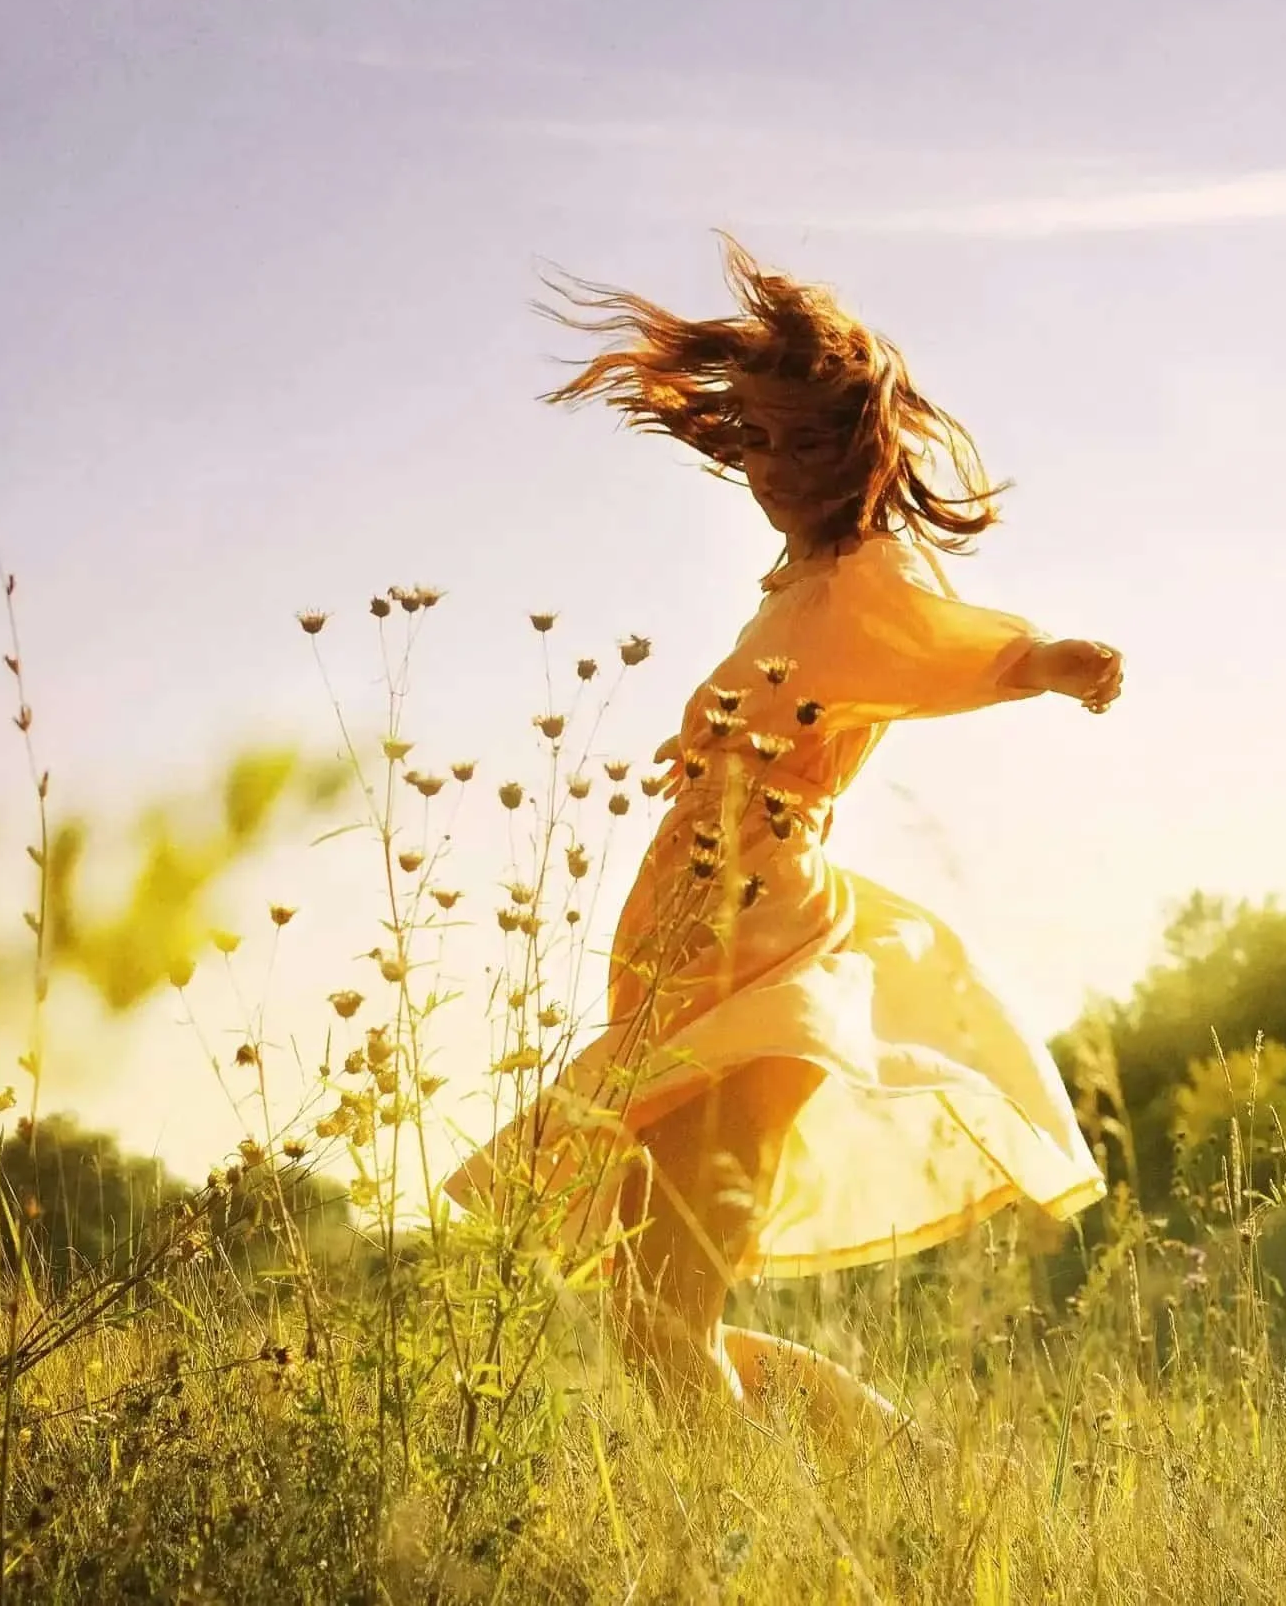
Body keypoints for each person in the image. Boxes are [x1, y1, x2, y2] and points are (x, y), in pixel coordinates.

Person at [446, 237, 1122, 1445]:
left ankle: (817, 1517)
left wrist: (1047, 664)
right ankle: (909, 1475)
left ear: (847, 446)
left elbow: (951, 644)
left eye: (790, 441)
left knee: (662, 1317)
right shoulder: (798, 584)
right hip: (684, 953)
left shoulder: (864, 578)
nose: (765, 467)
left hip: (761, 947)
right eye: (753, 438)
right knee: (648, 1311)